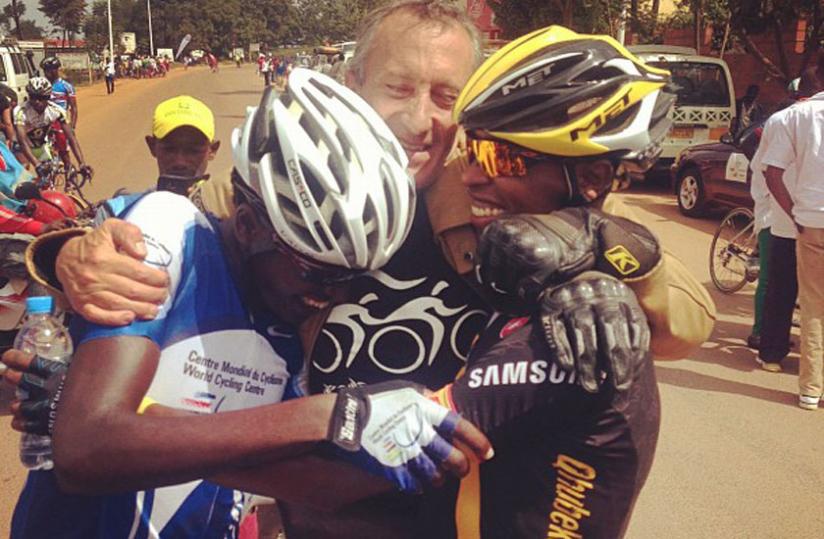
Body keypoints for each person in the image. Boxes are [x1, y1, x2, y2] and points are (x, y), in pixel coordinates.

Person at [23, 1, 714, 536]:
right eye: (399, 87)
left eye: (446, 97)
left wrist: (596, 250)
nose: (421, 119)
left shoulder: (492, 212)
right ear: (352, 84)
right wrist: (69, 252)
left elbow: (687, 325)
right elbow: (198, 238)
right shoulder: (303, 190)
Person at [4, 70, 491, 538]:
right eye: (320, 273)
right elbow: (87, 450)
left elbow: (322, 488)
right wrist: (326, 416)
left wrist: (429, 433)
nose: (338, 296)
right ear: (249, 226)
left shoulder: (296, 322)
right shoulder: (173, 230)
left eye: (354, 279)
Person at [761, 78, 824, 410]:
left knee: (814, 307)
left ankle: (811, 391)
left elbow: (771, 171)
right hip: (807, 218)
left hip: (811, 222)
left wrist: (795, 214)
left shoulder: (796, 116)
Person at [13, 78, 91, 181]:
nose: (37, 102)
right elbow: (22, 141)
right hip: (22, 148)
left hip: (40, 146)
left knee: (48, 178)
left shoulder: (56, 111)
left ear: (48, 97)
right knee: (22, 176)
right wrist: (36, 164)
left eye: (41, 98)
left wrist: (82, 164)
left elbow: (71, 138)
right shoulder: (20, 111)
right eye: (33, 97)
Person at [40, 57, 78, 171]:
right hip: (45, 123)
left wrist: (72, 126)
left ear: (55, 70)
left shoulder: (66, 86)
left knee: (64, 153)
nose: (46, 73)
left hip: (61, 123)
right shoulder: (42, 85)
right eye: (45, 70)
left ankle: (69, 180)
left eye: (48, 70)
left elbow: (74, 108)